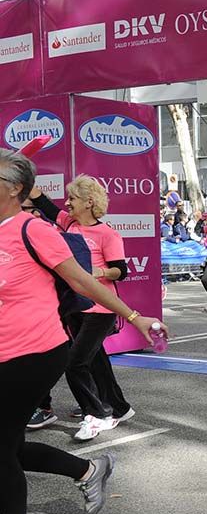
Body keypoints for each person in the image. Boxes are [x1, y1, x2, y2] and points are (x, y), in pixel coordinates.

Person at [0, 149, 164, 514]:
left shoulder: (32, 230)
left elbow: (82, 280)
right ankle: (88, 470)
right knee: (10, 446)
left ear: (15, 187)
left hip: (35, 350)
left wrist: (134, 316)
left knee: (0, 446)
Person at [24, 176, 137, 441]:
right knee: (96, 362)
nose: (67, 203)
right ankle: (119, 408)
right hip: (76, 306)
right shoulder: (69, 223)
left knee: (74, 363)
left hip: (101, 309)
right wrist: (20, 174)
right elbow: (43, 202)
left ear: (89, 202)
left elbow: (122, 271)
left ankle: (96, 415)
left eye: (72, 198)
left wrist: (97, 271)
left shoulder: (108, 234)